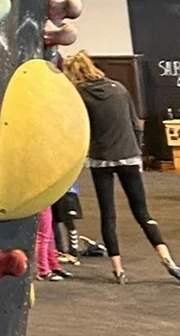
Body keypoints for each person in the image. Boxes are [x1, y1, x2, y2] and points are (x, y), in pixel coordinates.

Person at [63, 51, 180, 284]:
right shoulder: (119, 88)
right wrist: (137, 152)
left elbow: (79, 129)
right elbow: (135, 123)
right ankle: (169, 260)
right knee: (142, 212)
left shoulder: (78, 96)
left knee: (108, 214)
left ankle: (118, 270)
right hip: (128, 155)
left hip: (100, 159)